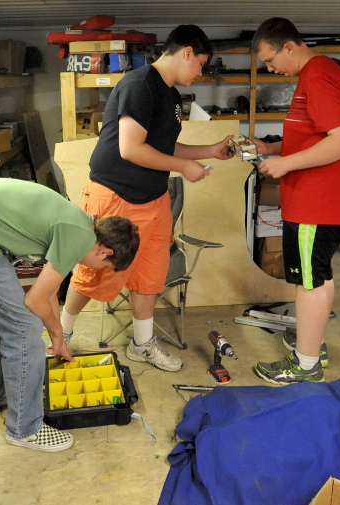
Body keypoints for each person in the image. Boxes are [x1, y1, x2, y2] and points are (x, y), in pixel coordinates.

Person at [60, 25, 234, 372]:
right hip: (117, 197)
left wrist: (210, 151)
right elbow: (130, 148)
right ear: (187, 52)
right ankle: (59, 333)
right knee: (95, 274)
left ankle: (142, 344)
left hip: (153, 200)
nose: (200, 73)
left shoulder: (169, 93)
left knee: (150, 275)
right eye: (200, 63)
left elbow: (162, 147)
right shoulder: (140, 85)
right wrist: (184, 167)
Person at [0, 178, 139, 452]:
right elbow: (35, 300)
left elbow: (49, 291)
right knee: (24, 330)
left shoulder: (83, 225)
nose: (98, 268)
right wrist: (55, 333)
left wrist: (60, 339)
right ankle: (24, 429)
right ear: (105, 251)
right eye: (105, 266)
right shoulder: (77, 239)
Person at [248, 18, 340, 384]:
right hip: (326, 198)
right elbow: (318, 135)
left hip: (317, 201)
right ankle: (312, 347)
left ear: (289, 47)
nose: (270, 69)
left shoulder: (316, 76)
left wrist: (285, 164)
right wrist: (275, 149)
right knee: (320, 275)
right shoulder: (321, 72)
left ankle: (306, 366)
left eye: (270, 60)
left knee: (308, 284)